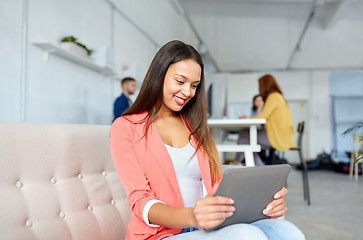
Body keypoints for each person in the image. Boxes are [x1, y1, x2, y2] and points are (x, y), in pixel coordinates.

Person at [110, 40, 304, 240]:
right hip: (162, 234)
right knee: (246, 235)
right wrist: (194, 216)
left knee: (288, 232)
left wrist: (263, 206)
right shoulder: (126, 128)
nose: (187, 92)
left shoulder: (197, 127)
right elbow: (141, 202)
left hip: (208, 228)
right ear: (159, 75)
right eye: (180, 81)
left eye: (194, 85)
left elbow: (215, 186)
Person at [235, 74, 294, 166]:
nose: (259, 89)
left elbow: (263, 116)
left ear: (265, 86)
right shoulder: (278, 97)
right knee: (245, 140)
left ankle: (237, 162)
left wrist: (248, 119)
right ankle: (258, 167)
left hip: (276, 138)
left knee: (243, 134)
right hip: (279, 136)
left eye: (260, 86)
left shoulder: (274, 97)